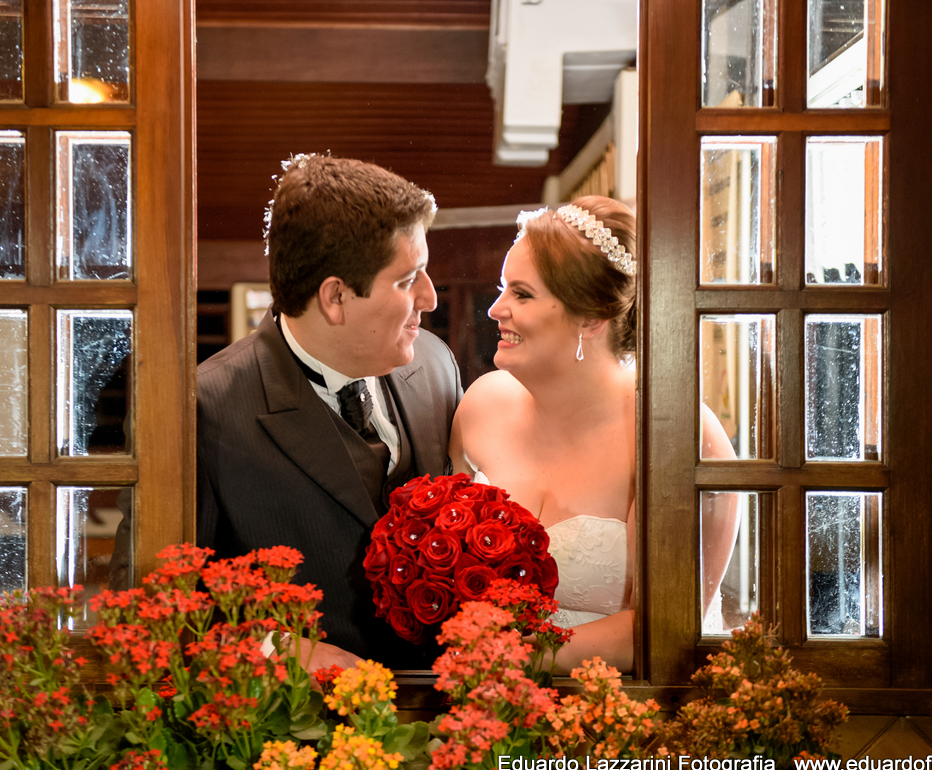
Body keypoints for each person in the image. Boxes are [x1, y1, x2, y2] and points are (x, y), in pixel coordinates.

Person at [449, 196, 737, 674]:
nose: (495, 309)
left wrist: (508, 658)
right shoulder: (481, 407)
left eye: (521, 294)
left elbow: (664, 626)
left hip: (628, 715)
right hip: (486, 706)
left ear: (591, 317)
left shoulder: (674, 434)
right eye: (503, 289)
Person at [196, 154, 462, 671]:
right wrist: (280, 653)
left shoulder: (436, 365)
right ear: (335, 297)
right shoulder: (207, 410)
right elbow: (156, 608)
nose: (430, 297)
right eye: (409, 280)